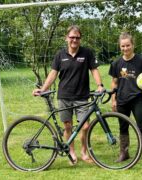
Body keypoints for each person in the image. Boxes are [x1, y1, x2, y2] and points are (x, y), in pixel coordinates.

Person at [33, 25, 104, 165]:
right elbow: (53, 74)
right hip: (64, 96)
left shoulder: (87, 53)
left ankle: (84, 152)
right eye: (72, 37)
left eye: (77, 37)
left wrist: (100, 85)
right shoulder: (60, 55)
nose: (74, 40)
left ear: (80, 39)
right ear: (67, 38)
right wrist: (43, 88)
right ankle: (71, 152)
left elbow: (94, 70)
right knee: (67, 126)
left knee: (85, 126)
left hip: (82, 96)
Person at [109, 32, 142, 163]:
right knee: (123, 127)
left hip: (138, 100)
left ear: (133, 45)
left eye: (128, 45)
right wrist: (113, 100)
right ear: (119, 47)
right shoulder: (116, 64)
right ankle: (124, 153)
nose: (125, 48)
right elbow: (114, 82)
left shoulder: (141, 60)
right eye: (123, 46)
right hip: (121, 100)